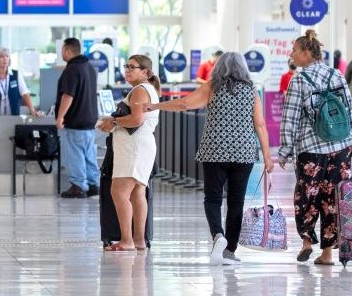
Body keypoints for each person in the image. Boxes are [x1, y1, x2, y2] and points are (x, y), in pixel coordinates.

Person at [150, 52, 274, 265]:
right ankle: (229, 252)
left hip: (215, 150)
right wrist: (268, 157)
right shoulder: (251, 91)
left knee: (213, 198)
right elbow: (260, 125)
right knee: (236, 202)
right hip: (243, 152)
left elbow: (185, 104)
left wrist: (154, 106)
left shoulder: (212, 87)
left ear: (219, 67)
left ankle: (218, 235)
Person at [278, 29, 352, 266]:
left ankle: (307, 241)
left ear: (307, 52)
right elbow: (350, 111)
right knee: (333, 198)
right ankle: (327, 254)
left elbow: (290, 118)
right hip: (341, 147)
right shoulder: (336, 75)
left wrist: (285, 150)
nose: (292, 54)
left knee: (307, 196)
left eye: (295, 50)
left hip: (311, 149)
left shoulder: (299, 79)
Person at [97, 54, 160, 251]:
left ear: (145, 72)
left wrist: (113, 122)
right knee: (137, 193)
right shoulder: (144, 89)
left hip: (134, 147)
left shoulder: (141, 90)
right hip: (139, 146)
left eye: (132, 67)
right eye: (126, 66)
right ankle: (138, 239)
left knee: (119, 191)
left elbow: (136, 119)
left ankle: (127, 240)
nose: (127, 70)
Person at [55, 37, 100, 199]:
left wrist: (60, 117)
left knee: (75, 154)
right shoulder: (89, 68)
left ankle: (78, 186)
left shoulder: (72, 69)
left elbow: (68, 95)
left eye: (62, 50)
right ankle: (93, 184)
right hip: (89, 121)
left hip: (75, 121)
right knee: (89, 154)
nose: (62, 53)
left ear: (67, 51)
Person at [0, 46, 40, 117]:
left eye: (7, 56)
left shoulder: (16, 75)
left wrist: (32, 110)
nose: (5, 59)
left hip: (13, 117)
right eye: (1, 57)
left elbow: (25, 94)